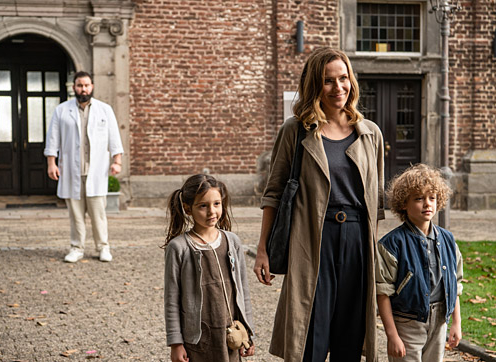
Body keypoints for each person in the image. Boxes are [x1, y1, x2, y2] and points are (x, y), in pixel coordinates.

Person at [253, 47, 385, 362]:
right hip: (312, 239)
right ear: (315, 85)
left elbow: (375, 202)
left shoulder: (370, 134)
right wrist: (262, 250)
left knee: (350, 336)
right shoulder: (295, 131)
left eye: (343, 79)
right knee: (309, 333)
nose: (338, 88)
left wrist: (373, 250)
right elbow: (274, 193)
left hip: (356, 242)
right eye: (328, 81)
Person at [376, 164, 463, 362]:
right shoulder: (392, 244)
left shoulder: (448, 240)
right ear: (403, 204)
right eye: (418, 198)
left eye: (432, 198)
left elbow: (455, 284)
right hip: (407, 323)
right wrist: (392, 336)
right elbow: (382, 292)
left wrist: (456, 323)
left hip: (440, 320)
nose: (427, 204)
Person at [163, 174, 255, 362]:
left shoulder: (232, 242)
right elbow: (171, 299)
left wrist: (248, 333)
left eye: (216, 204)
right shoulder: (178, 247)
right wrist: (176, 343)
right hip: (197, 339)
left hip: (230, 336)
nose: (211, 211)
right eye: (203, 206)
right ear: (188, 208)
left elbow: (243, 291)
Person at [44, 71, 124, 263]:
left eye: (86, 85)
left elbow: (114, 137)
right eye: (80, 85)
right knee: (76, 215)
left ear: (92, 86)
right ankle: (76, 248)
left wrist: (117, 161)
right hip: (72, 171)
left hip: (96, 171)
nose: (83, 89)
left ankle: (103, 247)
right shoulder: (62, 110)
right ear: (74, 87)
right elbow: (53, 138)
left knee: (98, 214)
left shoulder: (105, 110)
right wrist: (51, 163)